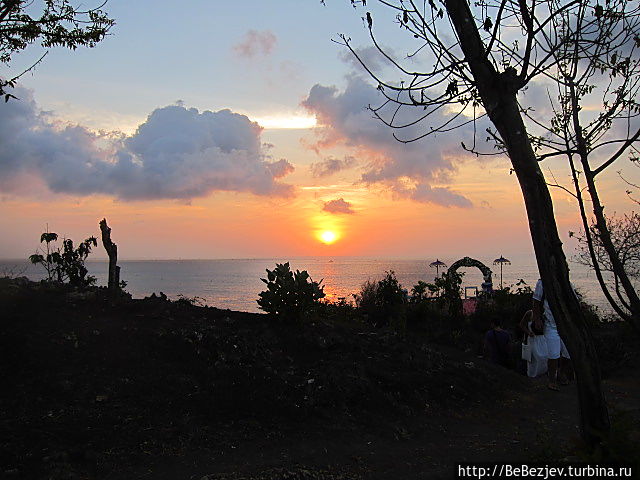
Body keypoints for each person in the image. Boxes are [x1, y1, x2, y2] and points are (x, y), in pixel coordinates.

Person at [532, 279, 572, 391]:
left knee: (568, 354)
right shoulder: (542, 283)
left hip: (565, 325)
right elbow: (536, 301)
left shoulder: (566, 282)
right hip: (551, 325)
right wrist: (537, 319)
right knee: (553, 354)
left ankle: (561, 373)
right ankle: (552, 380)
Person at [519, 309, 548, 378]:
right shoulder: (530, 313)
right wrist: (528, 332)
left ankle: (543, 373)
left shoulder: (546, 312)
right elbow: (521, 324)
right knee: (536, 357)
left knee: (545, 356)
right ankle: (532, 375)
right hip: (533, 339)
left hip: (542, 339)